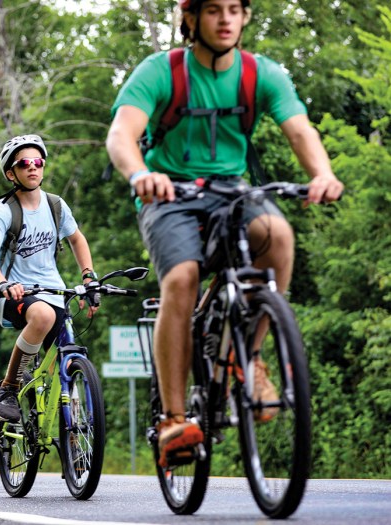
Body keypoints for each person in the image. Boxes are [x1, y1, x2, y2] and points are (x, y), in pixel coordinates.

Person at [106, 0, 344, 467]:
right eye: (213, 9)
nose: (226, 19)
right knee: (182, 278)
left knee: (278, 236)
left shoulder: (261, 74)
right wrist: (139, 175)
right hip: (168, 194)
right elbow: (122, 133)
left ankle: (246, 357)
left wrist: (322, 174)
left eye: (235, 8)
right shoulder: (162, 71)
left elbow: (300, 130)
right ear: (191, 18)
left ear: (246, 16)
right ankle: (175, 420)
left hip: (232, 192)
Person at [0, 134, 100, 423]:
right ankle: (8, 387)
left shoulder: (56, 205)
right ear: (11, 173)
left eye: (38, 162)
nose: (33, 167)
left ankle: (75, 440)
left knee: (65, 361)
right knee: (42, 316)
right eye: (24, 163)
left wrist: (89, 277)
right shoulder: (2, 212)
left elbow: (77, 240)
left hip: (53, 291)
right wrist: (2, 283)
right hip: (11, 293)